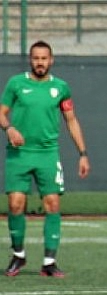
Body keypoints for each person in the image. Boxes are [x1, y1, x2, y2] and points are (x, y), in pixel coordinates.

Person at [0, 40, 90, 278]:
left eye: (44, 58)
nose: (40, 62)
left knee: (52, 204)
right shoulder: (16, 83)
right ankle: (18, 255)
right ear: (30, 60)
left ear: (51, 60)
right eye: (36, 58)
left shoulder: (60, 88)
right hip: (19, 154)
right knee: (15, 204)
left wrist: (82, 153)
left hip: (48, 155)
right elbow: (1, 112)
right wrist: (9, 128)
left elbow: (71, 120)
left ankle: (49, 262)